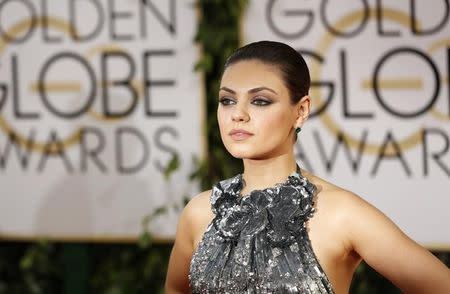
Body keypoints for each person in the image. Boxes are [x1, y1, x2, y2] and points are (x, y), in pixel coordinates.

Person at [164, 41, 450, 293]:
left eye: (260, 101)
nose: (237, 114)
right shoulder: (200, 213)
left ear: (301, 111)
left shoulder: (340, 213)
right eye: (227, 100)